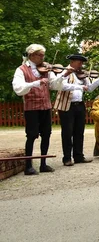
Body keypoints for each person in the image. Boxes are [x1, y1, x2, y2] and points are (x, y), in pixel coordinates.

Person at [12, 44, 66, 175]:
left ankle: (43, 163)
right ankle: (28, 166)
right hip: (31, 108)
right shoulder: (21, 70)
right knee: (31, 135)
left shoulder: (46, 69)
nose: (43, 58)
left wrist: (64, 74)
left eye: (43, 55)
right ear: (31, 55)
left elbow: (53, 85)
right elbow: (18, 88)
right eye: (40, 55)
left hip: (45, 106)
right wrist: (35, 83)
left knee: (46, 134)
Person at [54, 53, 99, 166]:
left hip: (79, 105)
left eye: (82, 63)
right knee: (67, 132)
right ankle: (67, 158)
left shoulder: (82, 75)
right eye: (79, 62)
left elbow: (90, 88)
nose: (81, 65)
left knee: (79, 131)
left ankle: (78, 156)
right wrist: (79, 86)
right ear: (72, 62)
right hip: (67, 105)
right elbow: (62, 86)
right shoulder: (65, 73)